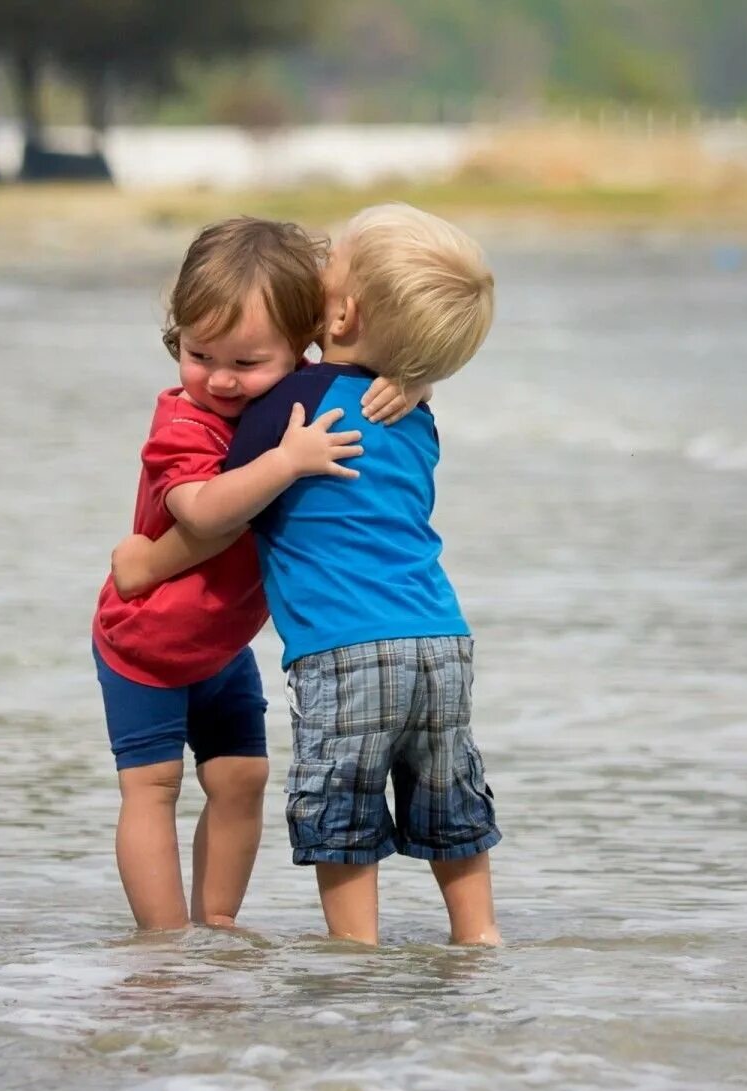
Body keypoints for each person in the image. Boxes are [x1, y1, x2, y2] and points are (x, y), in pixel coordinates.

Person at [113, 204, 501, 946]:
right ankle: (479, 935)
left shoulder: (291, 408)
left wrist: (146, 563)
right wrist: (417, 379)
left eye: (333, 265)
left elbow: (220, 514)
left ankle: (357, 951)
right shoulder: (413, 410)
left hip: (347, 650)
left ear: (343, 310)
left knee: (345, 808)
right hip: (444, 638)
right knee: (449, 799)